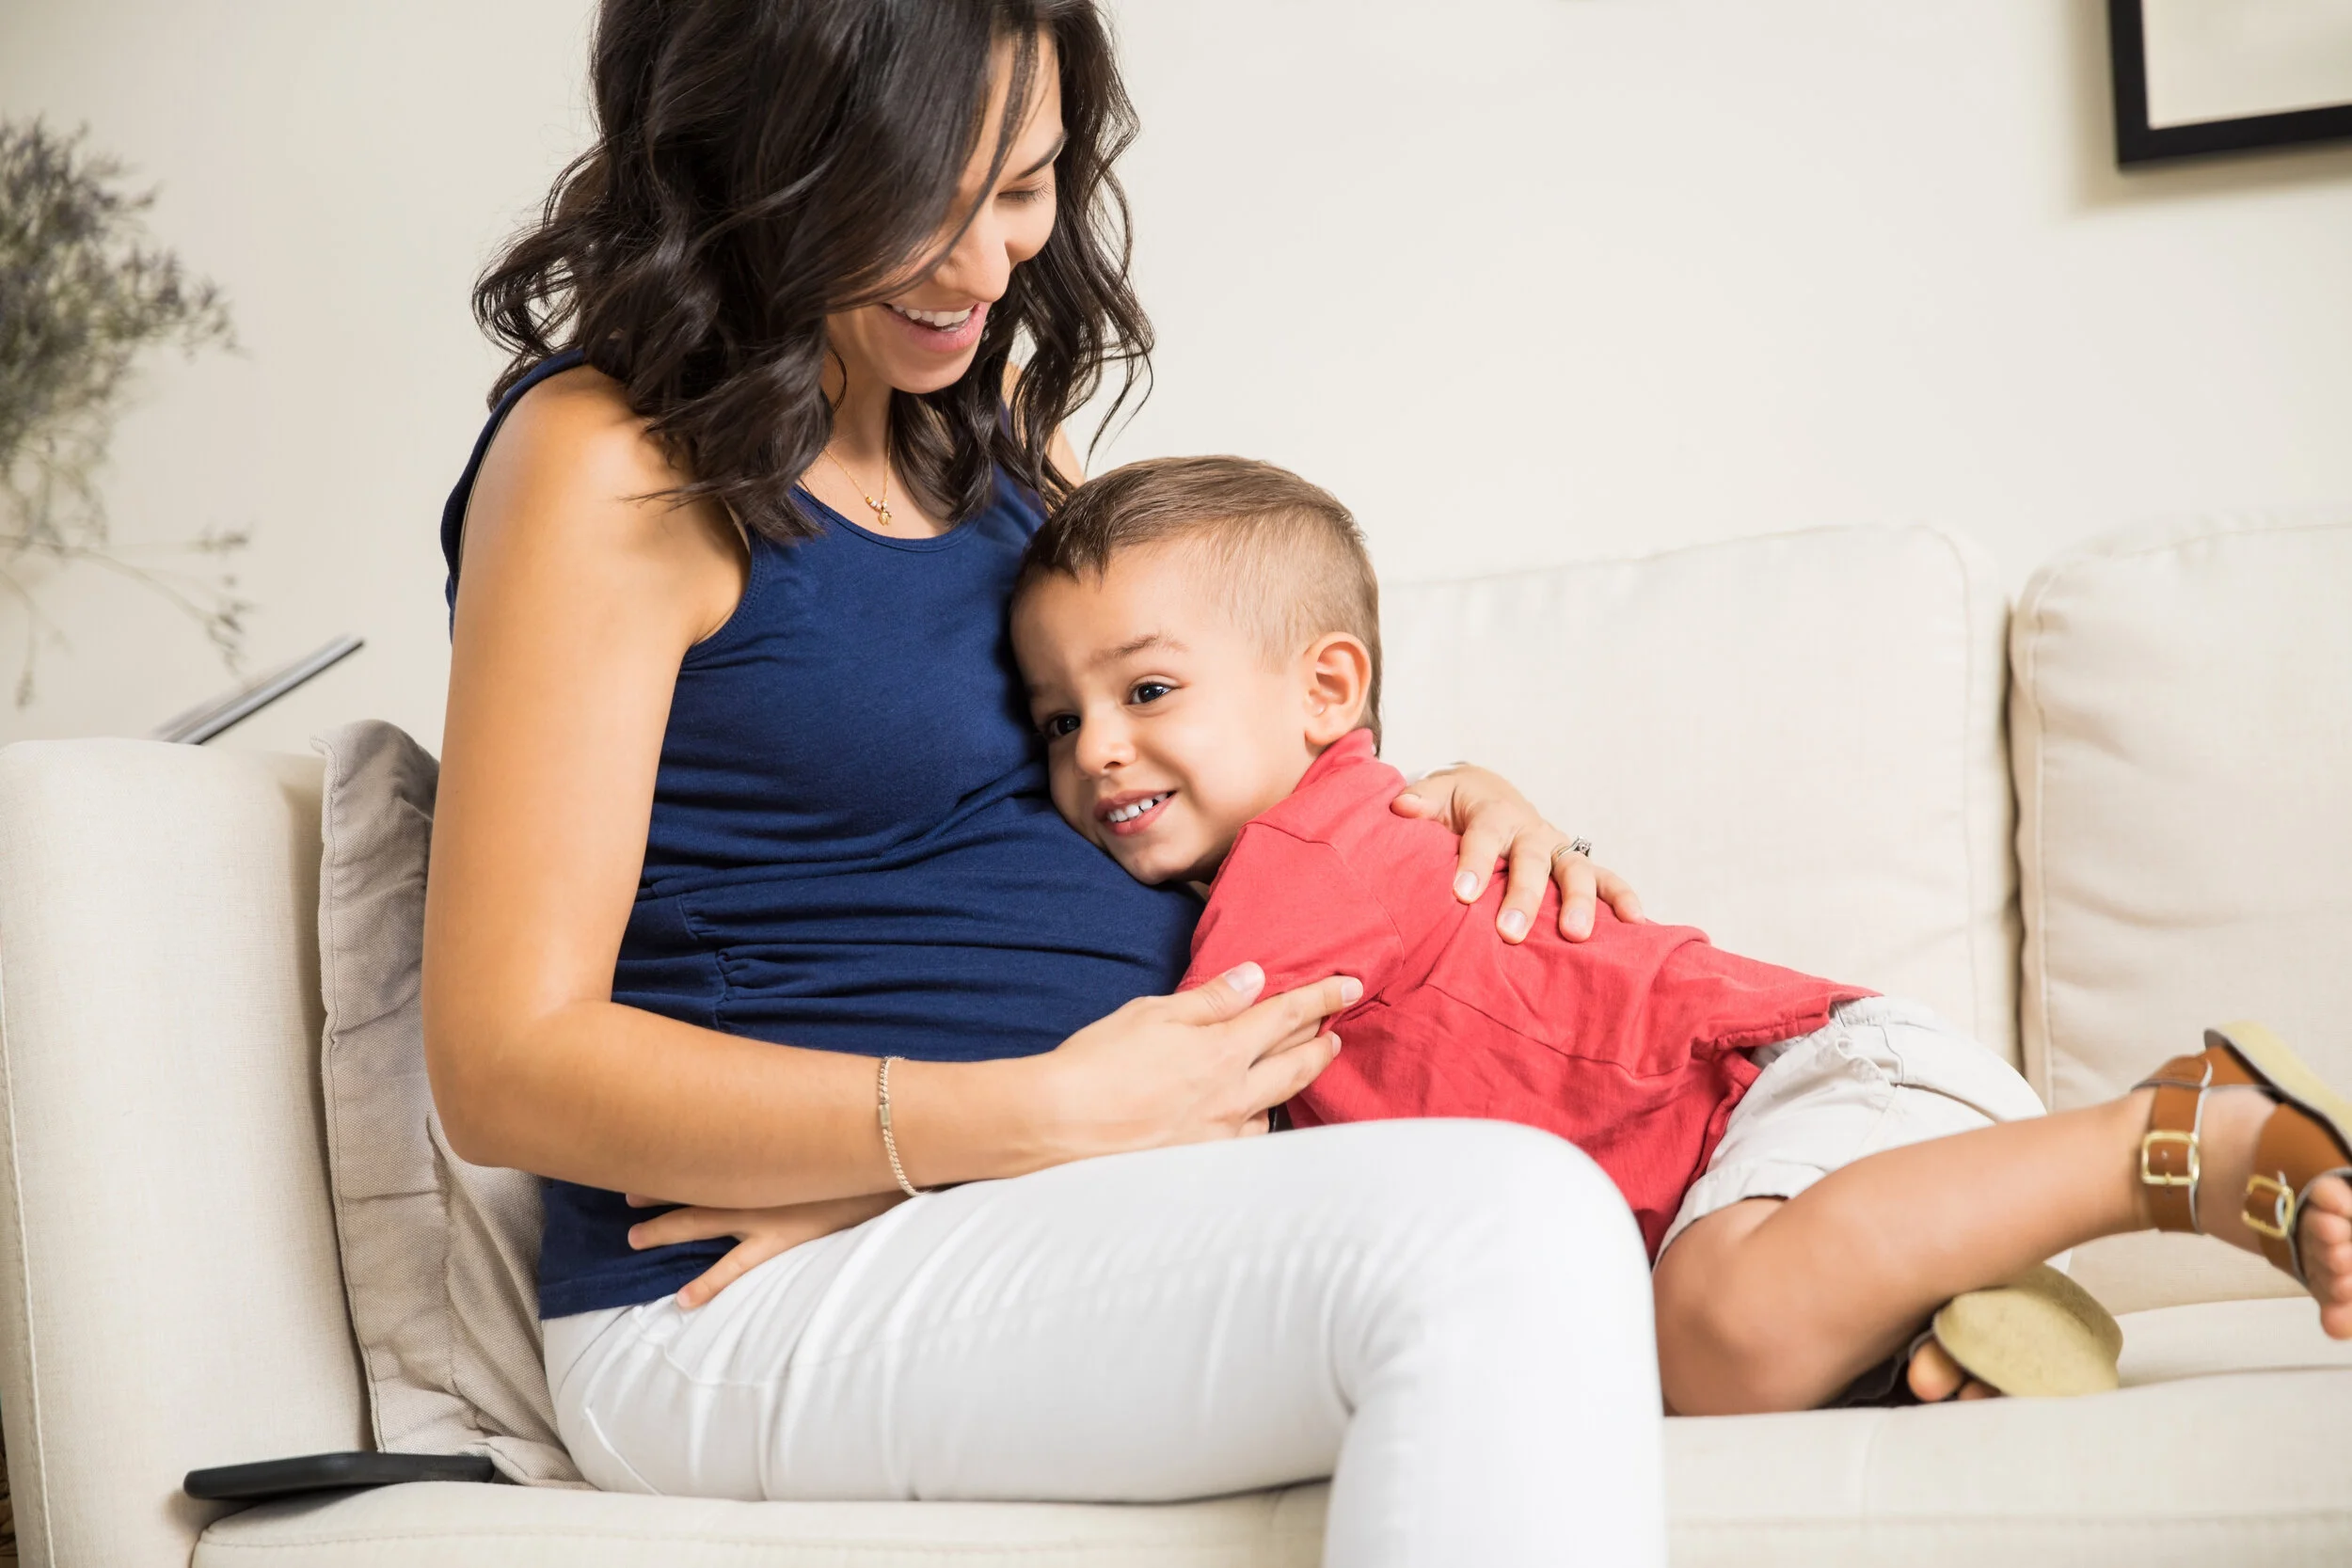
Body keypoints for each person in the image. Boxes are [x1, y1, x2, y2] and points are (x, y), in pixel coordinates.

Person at [422, 2, 1665, 1561]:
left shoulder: (1000, 448)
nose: (982, 268)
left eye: (1022, 189)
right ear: (752, 164)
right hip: (731, 1296)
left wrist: (1433, 794)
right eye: (909, 205)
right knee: (1504, 1230)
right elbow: (503, 1061)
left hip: (1042, 1194)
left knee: (1643, 1176)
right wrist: (1031, 1116)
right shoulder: (609, 459)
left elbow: (1203, 757)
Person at [986, 452, 2352, 1416]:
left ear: (1328, 685)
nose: (1096, 750)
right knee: (1722, 1357)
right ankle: (1955, 1327)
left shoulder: (1302, 863)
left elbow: (1162, 1117)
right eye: (1056, 720)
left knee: (1709, 1335)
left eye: (1147, 688)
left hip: (1811, 1091)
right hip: (1825, 1169)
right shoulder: (1341, 836)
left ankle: (2176, 1131)